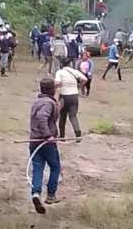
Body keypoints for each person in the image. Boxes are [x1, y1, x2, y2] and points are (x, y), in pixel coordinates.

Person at [29, 78, 63, 214]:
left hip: (33, 141)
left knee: (38, 169)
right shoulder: (48, 103)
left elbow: (47, 118)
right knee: (55, 167)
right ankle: (50, 195)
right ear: (52, 90)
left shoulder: (37, 101)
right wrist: (48, 135)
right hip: (46, 142)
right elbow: (42, 117)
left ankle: (35, 193)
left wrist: (58, 109)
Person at [54, 58, 87, 140]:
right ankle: (78, 132)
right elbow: (85, 79)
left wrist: (53, 89)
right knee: (73, 116)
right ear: (70, 64)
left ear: (62, 64)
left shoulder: (60, 72)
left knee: (62, 116)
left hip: (64, 96)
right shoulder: (75, 72)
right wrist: (79, 87)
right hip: (74, 96)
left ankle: (62, 136)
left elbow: (57, 82)